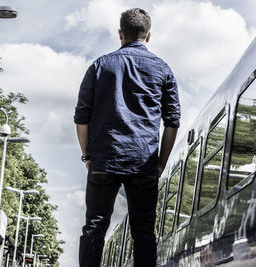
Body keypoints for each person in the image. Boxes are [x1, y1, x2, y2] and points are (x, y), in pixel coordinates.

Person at [74, 8, 180, 267]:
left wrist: (87, 155)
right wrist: (161, 163)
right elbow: (172, 121)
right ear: (148, 35)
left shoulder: (99, 66)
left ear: (120, 34)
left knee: (94, 227)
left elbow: (81, 116)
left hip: (104, 159)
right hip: (143, 161)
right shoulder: (163, 70)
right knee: (143, 231)